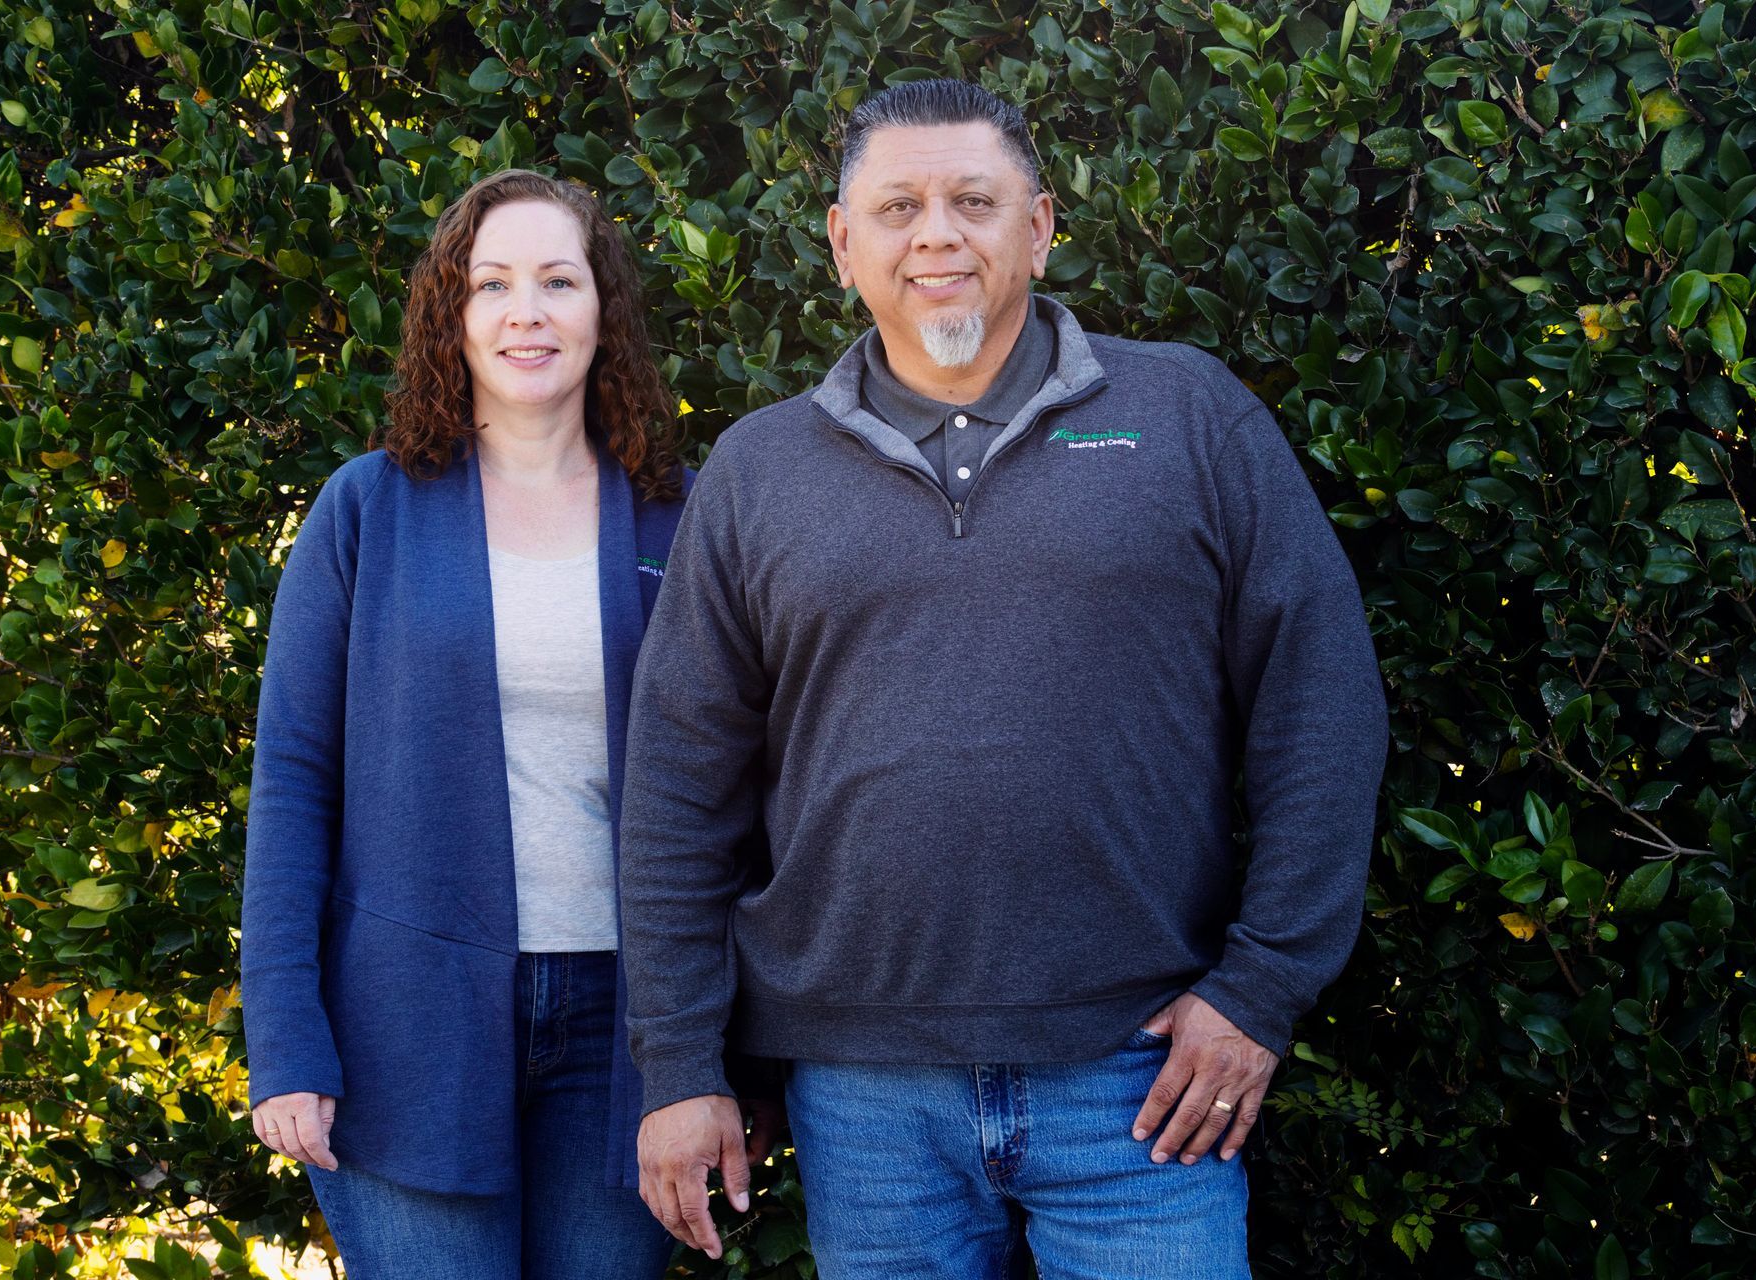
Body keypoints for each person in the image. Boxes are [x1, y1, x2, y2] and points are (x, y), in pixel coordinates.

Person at [618, 79, 1389, 1277]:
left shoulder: (1190, 418)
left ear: (1038, 227)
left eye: (974, 200)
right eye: (899, 206)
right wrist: (679, 1064)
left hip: (1143, 1081)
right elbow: (676, 785)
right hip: (863, 1098)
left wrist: (1261, 990)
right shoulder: (756, 470)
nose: (937, 233)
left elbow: (1323, 709)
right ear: (841, 244)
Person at [239, 168, 693, 1279]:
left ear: (605, 310)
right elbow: (295, 775)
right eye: (491, 283)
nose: (525, 311)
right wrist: (285, 1038)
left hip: (630, 1033)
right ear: (452, 313)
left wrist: (729, 1059)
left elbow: (746, 785)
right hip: (406, 1023)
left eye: (557, 280)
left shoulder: (685, 515)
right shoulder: (367, 508)